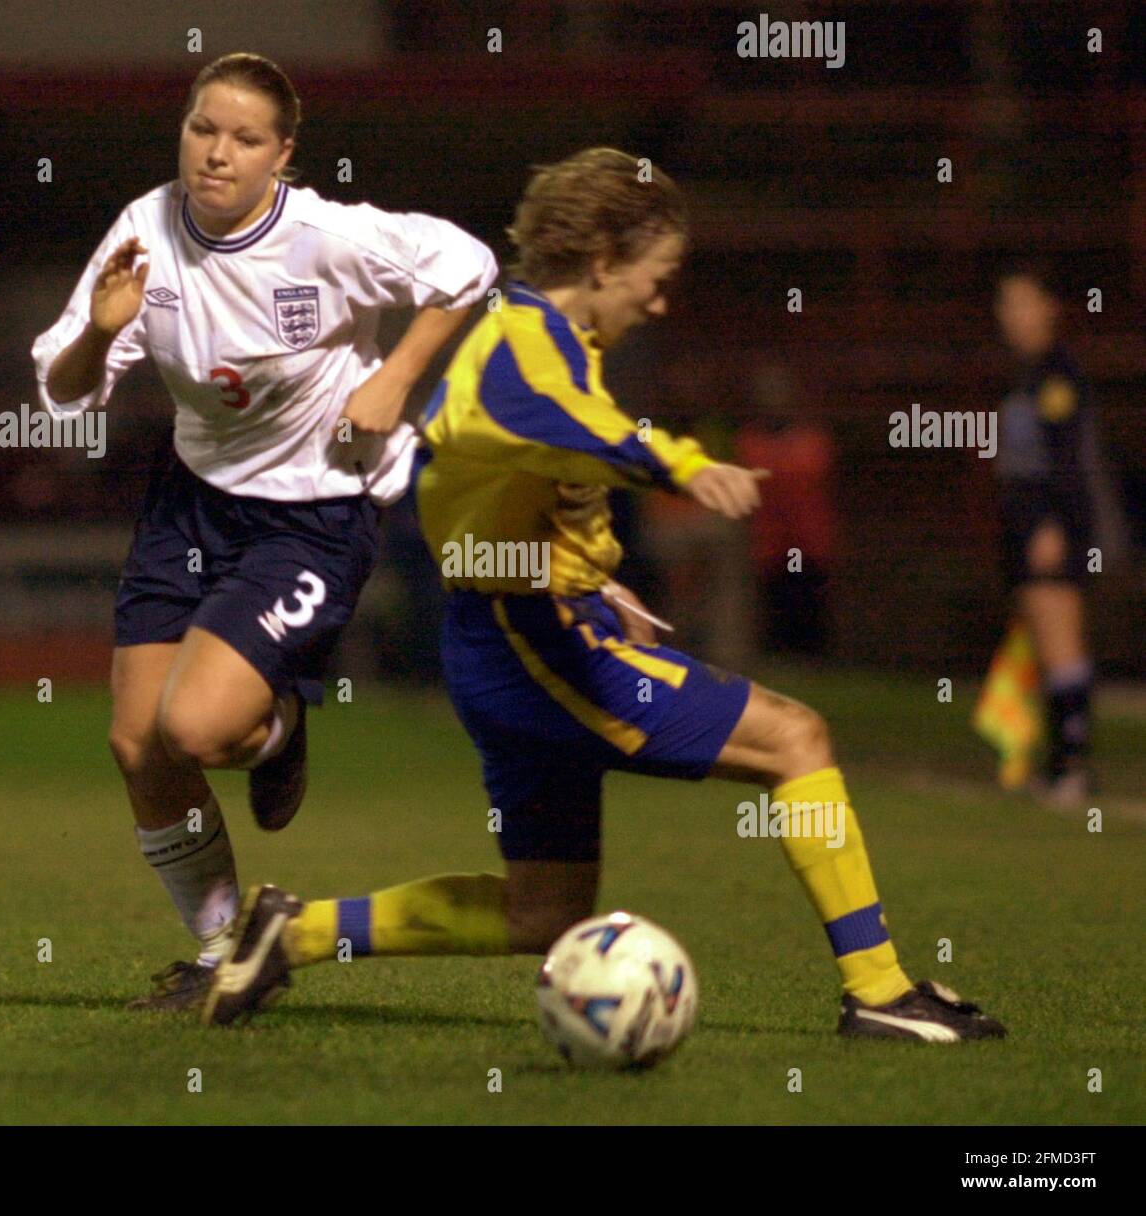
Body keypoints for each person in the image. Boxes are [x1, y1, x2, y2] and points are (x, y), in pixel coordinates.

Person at [205, 148, 1005, 1042]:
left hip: (512, 631)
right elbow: (564, 427)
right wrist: (684, 466)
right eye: (656, 279)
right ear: (603, 263)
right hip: (536, 645)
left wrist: (580, 569)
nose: (660, 302)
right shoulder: (522, 352)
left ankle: (295, 930)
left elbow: (463, 480)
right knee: (797, 739)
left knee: (542, 913)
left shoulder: (533, 338)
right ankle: (882, 992)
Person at [31, 53, 497, 1010]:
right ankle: (222, 953)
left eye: (245, 139)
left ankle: (278, 732)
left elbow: (471, 266)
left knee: (199, 727)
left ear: (281, 155)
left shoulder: (327, 236)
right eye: (204, 128)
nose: (217, 152)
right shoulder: (144, 229)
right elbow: (67, 391)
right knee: (136, 743)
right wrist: (98, 331)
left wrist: (397, 376)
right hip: (191, 497)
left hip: (313, 509)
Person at [993, 265, 1117, 806]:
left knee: (1062, 640)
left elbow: (1069, 463)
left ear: (1050, 308)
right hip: (1027, 523)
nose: (1012, 315)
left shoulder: (1058, 375)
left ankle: (1071, 766)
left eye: (1023, 302)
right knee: (1046, 644)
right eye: (1006, 304)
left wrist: (1054, 526)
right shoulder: (1025, 375)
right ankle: (1057, 764)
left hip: (1054, 525)